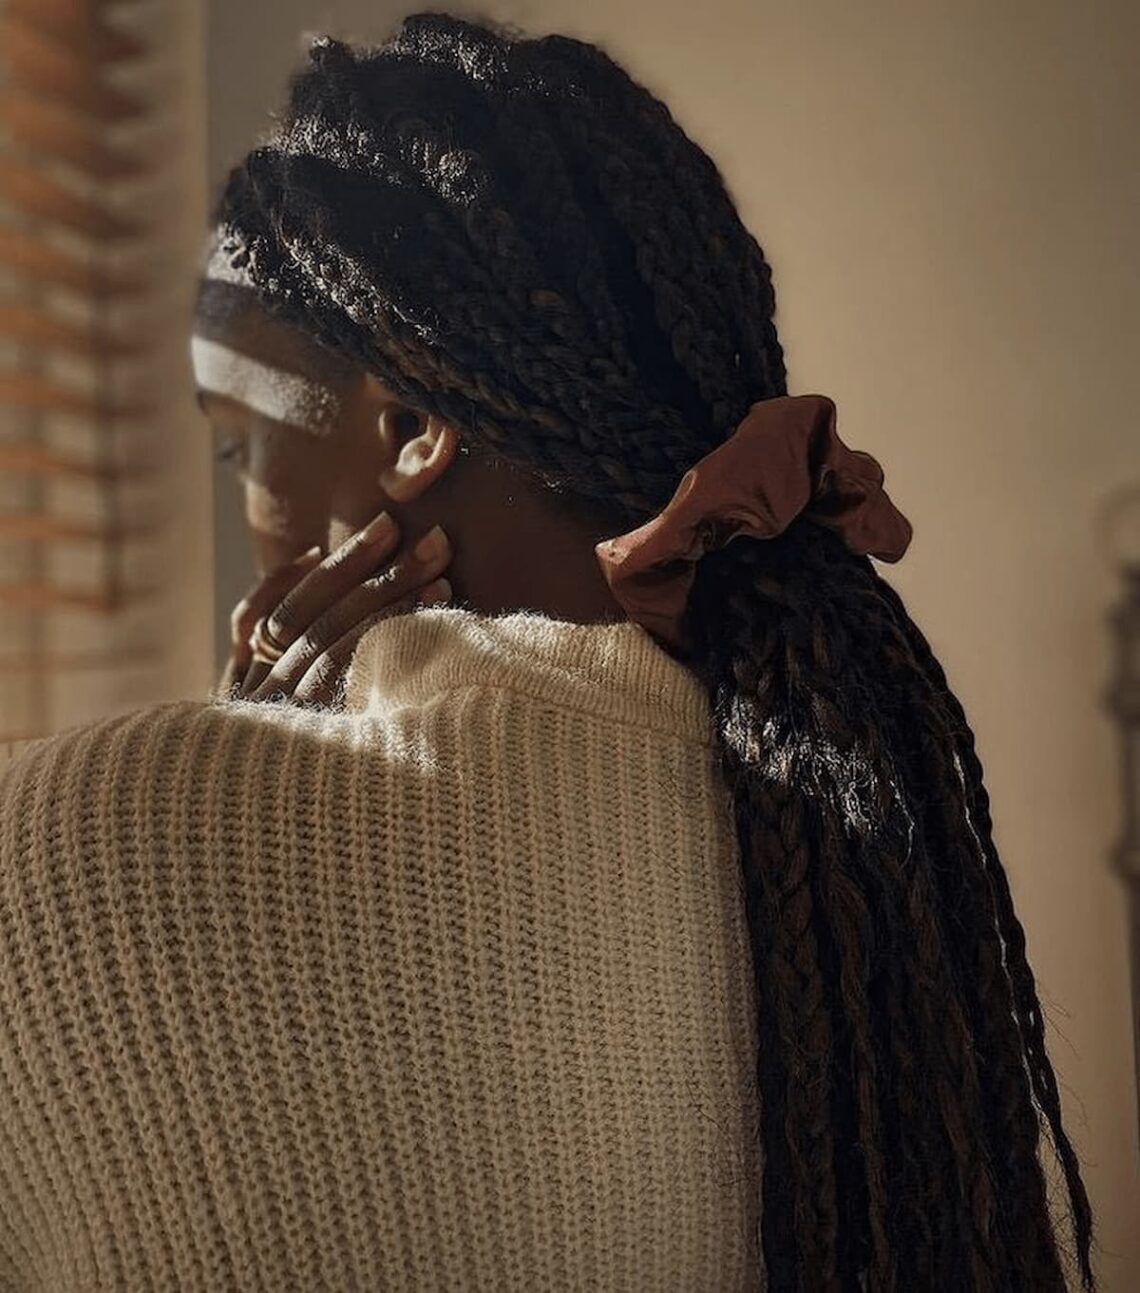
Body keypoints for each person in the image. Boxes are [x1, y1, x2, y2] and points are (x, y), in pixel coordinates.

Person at [0, 12, 1096, 1292]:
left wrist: (221, 754)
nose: (252, 521)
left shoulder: (61, 850)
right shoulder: (864, 841)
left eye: (243, 450)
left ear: (407, 425)